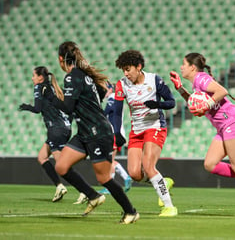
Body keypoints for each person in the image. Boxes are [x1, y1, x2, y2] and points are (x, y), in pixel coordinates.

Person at [44, 41, 139, 224]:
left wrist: (51, 99)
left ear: (61, 59)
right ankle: (93, 196)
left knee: (103, 177)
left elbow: (68, 107)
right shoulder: (83, 76)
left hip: (97, 132)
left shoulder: (73, 77)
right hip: (85, 132)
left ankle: (131, 211)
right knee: (61, 166)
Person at [170, 52, 235, 219]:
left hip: (233, 123)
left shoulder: (201, 78)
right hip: (224, 127)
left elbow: (221, 91)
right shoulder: (197, 84)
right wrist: (180, 89)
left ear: (192, 67)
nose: (181, 67)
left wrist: (208, 104)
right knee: (210, 164)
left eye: (184, 64)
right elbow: (195, 102)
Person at [114, 49, 177, 217]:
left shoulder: (154, 80)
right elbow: (116, 110)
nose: (126, 74)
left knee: (149, 167)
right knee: (134, 174)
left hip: (155, 127)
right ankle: (163, 182)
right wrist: (116, 132)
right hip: (136, 131)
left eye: (128, 69)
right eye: (124, 70)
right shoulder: (121, 84)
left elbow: (171, 102)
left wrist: (157, 105)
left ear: (139, 67)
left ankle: (169, 206)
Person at [19, 66, 71, 202]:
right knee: (42, 157)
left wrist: (26, 107)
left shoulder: (39, 87)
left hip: (56, 128)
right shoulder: (53, 87)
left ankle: (85, 191)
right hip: (63, 127)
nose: (32, 78)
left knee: (61, 165)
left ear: (40, 78)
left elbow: (37, 109)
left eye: (34, 76)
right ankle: (59, 186)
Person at [98, 82, 132, 195]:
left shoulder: (112, 98)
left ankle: (109, 186)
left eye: (105, 89)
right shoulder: (113, 99)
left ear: (110, 89)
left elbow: (104, 113)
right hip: (115, 133)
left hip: (114, 133)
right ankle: (126, 177)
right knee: (110, 159)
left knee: (109, 160)